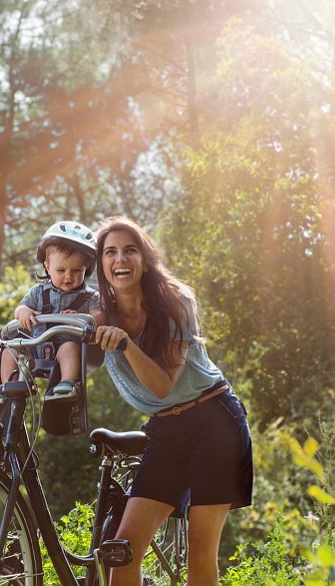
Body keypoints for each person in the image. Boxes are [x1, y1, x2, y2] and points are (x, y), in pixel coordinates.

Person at [89, 217, 253, 586]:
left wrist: (126, 344)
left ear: (145, 260)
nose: (120, 259)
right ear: (101, 263)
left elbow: (162, 385)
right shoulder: (99, 311)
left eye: (130, 250)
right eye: (110, 252)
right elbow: (58, 345)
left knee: (199, 554)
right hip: (165, 430)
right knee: (122, 550)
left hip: (214, 423)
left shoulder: (176, 301)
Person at [0, 221, 99, 404]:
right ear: (47, 267)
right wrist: (24, 312)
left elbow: (98, 318)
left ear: (87, 269)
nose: (68, 276)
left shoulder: (90, 297)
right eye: (61, 270)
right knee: (10, 348)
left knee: (69, 348)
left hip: (65, 349)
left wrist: (80, 320)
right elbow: (20, 309)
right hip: (36, 347)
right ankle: (8, 385)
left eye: (77, 271)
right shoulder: (39, 292)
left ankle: (67, 382)